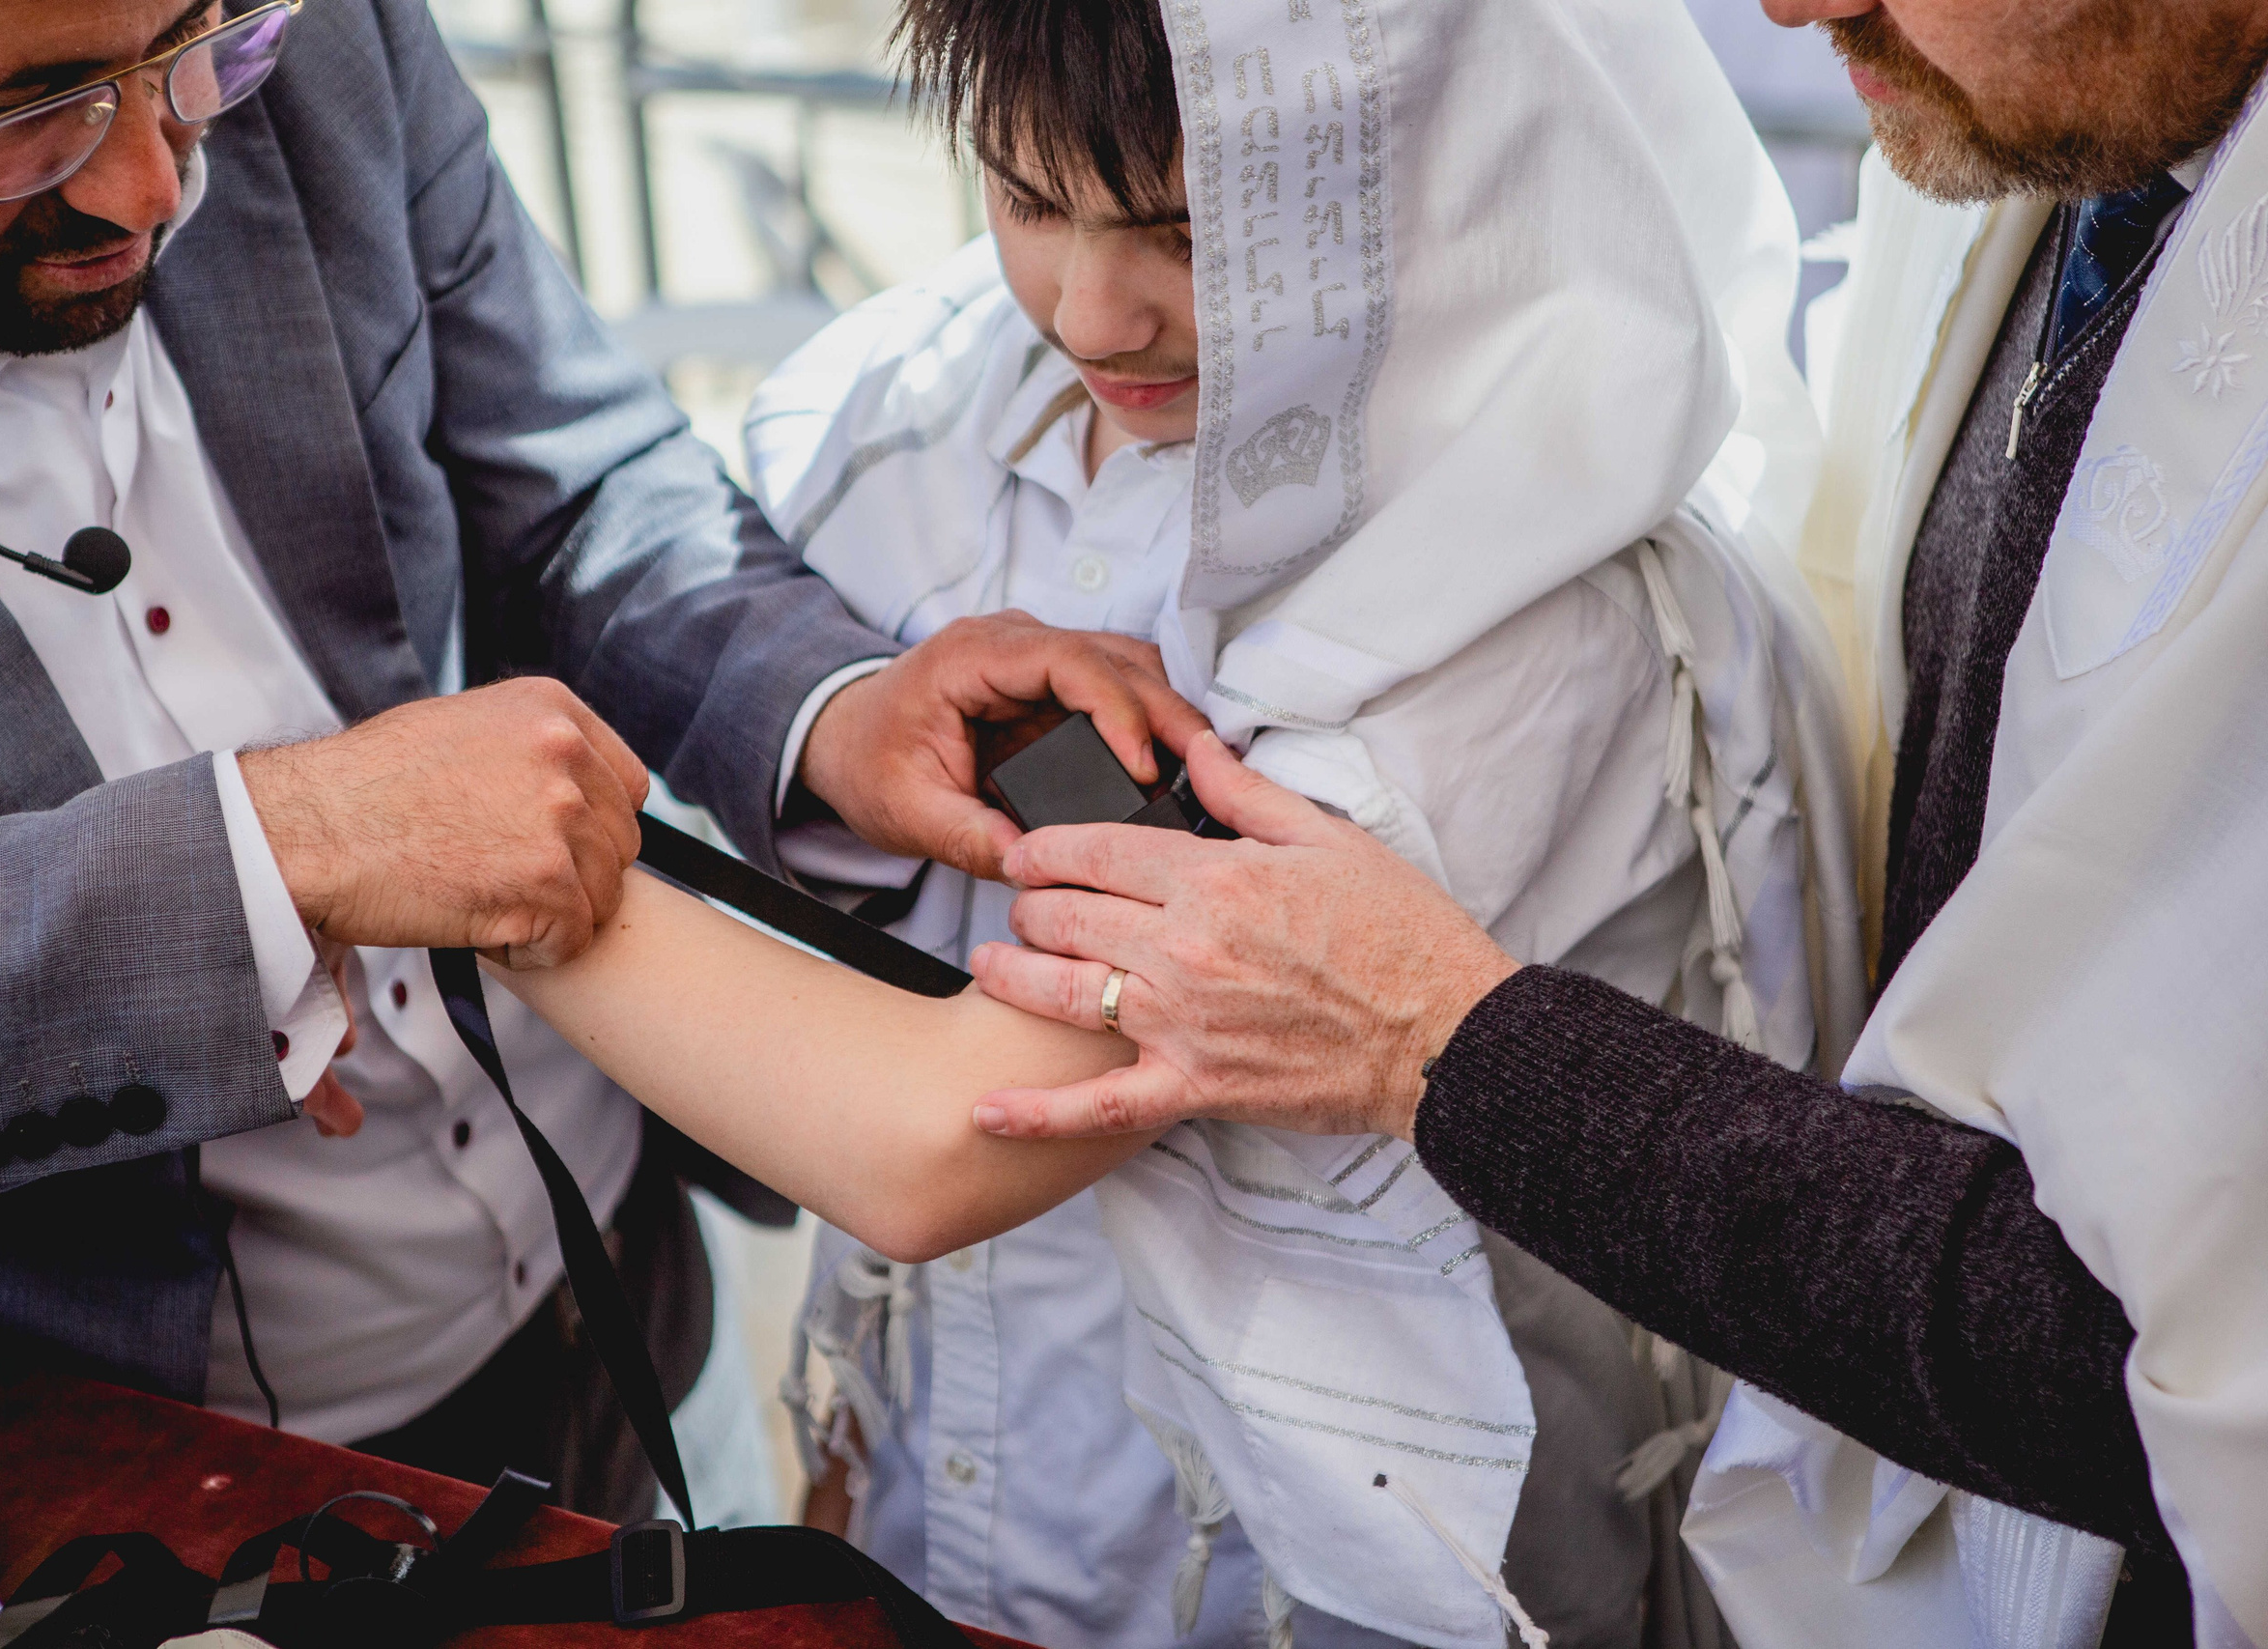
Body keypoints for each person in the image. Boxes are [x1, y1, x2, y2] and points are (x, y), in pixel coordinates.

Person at [500, 0, 1846, 1641]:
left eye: (1191, 233)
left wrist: (489, 869)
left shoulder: (1515, 598)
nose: (1090, 310)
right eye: (1023, 197)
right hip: (955, 1499)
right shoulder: (891, 414)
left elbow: (944, 1145)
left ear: (1427, 165)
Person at [0, 0, 1205, 1527]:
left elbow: (573, 476)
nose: (155, 184)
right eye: (34, 108)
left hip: (626, 1282)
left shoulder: (332, 43)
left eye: (201, 47)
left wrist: (831, 704)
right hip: (136, 1468)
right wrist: (267, 860)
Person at [966, 0, 2268, 1642]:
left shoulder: (1540, 638)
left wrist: (1456, 1049)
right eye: (1025, 203)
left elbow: (2174, 1355)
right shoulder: (2025, 131)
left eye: (1184, 228)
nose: (1793, 7)